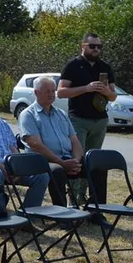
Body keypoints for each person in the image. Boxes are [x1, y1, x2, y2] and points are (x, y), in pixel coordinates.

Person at [57, 32, 116, 207]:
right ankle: (74, 199)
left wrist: (105, 92)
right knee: (78, 159)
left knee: (94, 160)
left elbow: (113, 96)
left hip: (99, 120)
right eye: (92, 46)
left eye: (99, 46)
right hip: (78, 119)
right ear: (83, 46)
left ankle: (93, 201)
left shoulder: (105, 66)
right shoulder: (73, 65)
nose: (96, 49)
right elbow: (61, 92)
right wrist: (86, 88)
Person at [19, 75, 86, 209]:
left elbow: (74, 140)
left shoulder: (61, 114)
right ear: (36, 93)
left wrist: (77, 161)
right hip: (43, 162)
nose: (51, 94)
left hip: (67, 159)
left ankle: (97, 209)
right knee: (57, 170)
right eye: (47, 91)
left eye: (52, 91)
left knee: (95, 165)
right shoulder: (28, 115)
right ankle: (61, 212)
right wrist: (61, 163)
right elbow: (36, 145)